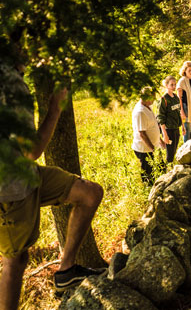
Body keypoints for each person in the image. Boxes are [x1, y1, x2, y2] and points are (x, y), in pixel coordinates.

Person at [0, 62, 105, 310]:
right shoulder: (10, 85)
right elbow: (33, 150)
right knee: (15, 262)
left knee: (90, 193)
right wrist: (55, 108)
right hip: (8, 189)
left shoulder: (13, 77)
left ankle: (66, 270)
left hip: (28, 175)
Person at [131, 86, 165, 185]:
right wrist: (152, 149)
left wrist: (160, 140)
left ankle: (162, 184)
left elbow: (153, 126)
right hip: (145, 149)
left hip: (155, 145)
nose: (153, 101)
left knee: (162, 168)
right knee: (148, 173)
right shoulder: (140, 112)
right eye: (152, 98)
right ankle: (149, 190)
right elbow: (142, 133)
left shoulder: (148, 106)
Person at [157, 76, 185, 166]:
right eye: (171, 84)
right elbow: (161, 118)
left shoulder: (176, 97)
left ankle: (171, 168)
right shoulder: (164, 99)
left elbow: (179, 112)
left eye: (175, 84)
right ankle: (168, 172)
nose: (174, 86)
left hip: (176, 128)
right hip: (168, 130)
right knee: (169, 154)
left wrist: (183, 127)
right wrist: (164, 134)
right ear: (166, 85)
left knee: (174, 151)